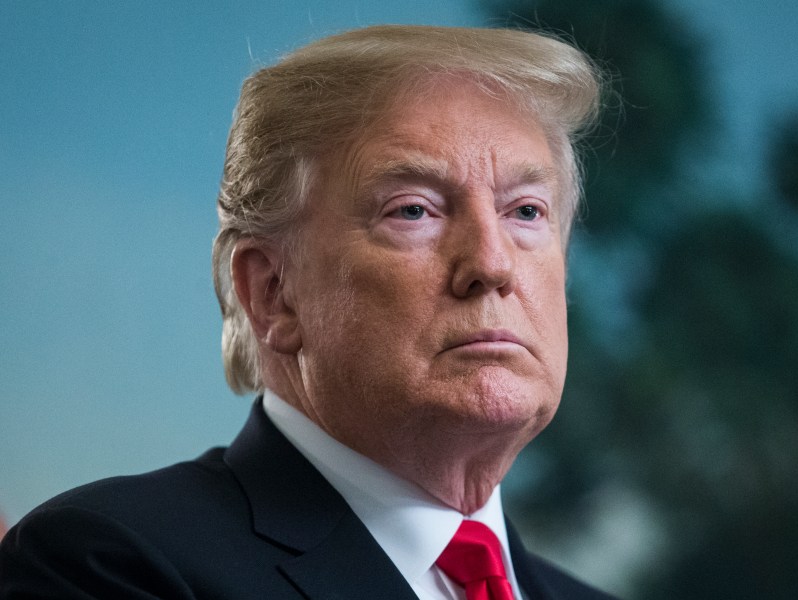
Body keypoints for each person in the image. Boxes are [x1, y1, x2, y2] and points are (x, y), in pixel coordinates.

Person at [0, 25, 614, 599]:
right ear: (272, 291)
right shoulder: (106, 562)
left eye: (527, 212)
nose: (492, 263)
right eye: (413, 210)